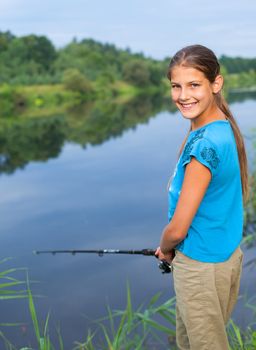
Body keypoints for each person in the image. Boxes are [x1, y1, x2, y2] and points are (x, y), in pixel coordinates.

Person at [155, 44, 249, 350]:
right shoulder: (223, 126)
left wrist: (166, 247)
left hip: (201, 267)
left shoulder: (203, 148)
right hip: (225, 256)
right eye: (176, 86)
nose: (183, 95)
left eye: (194, 85)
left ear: (216, 83)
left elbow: (179, 229)